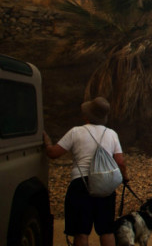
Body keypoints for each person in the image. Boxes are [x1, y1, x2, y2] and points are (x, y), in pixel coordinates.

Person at [43, 97, 128, 246]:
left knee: (81, 232)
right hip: (105, 187)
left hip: (81, 185)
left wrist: (47, 142)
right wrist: (125, 177)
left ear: (86, 116)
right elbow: (120, 161)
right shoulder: (111, 134)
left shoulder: (75, 132)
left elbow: (53, 153)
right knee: (106, 230)